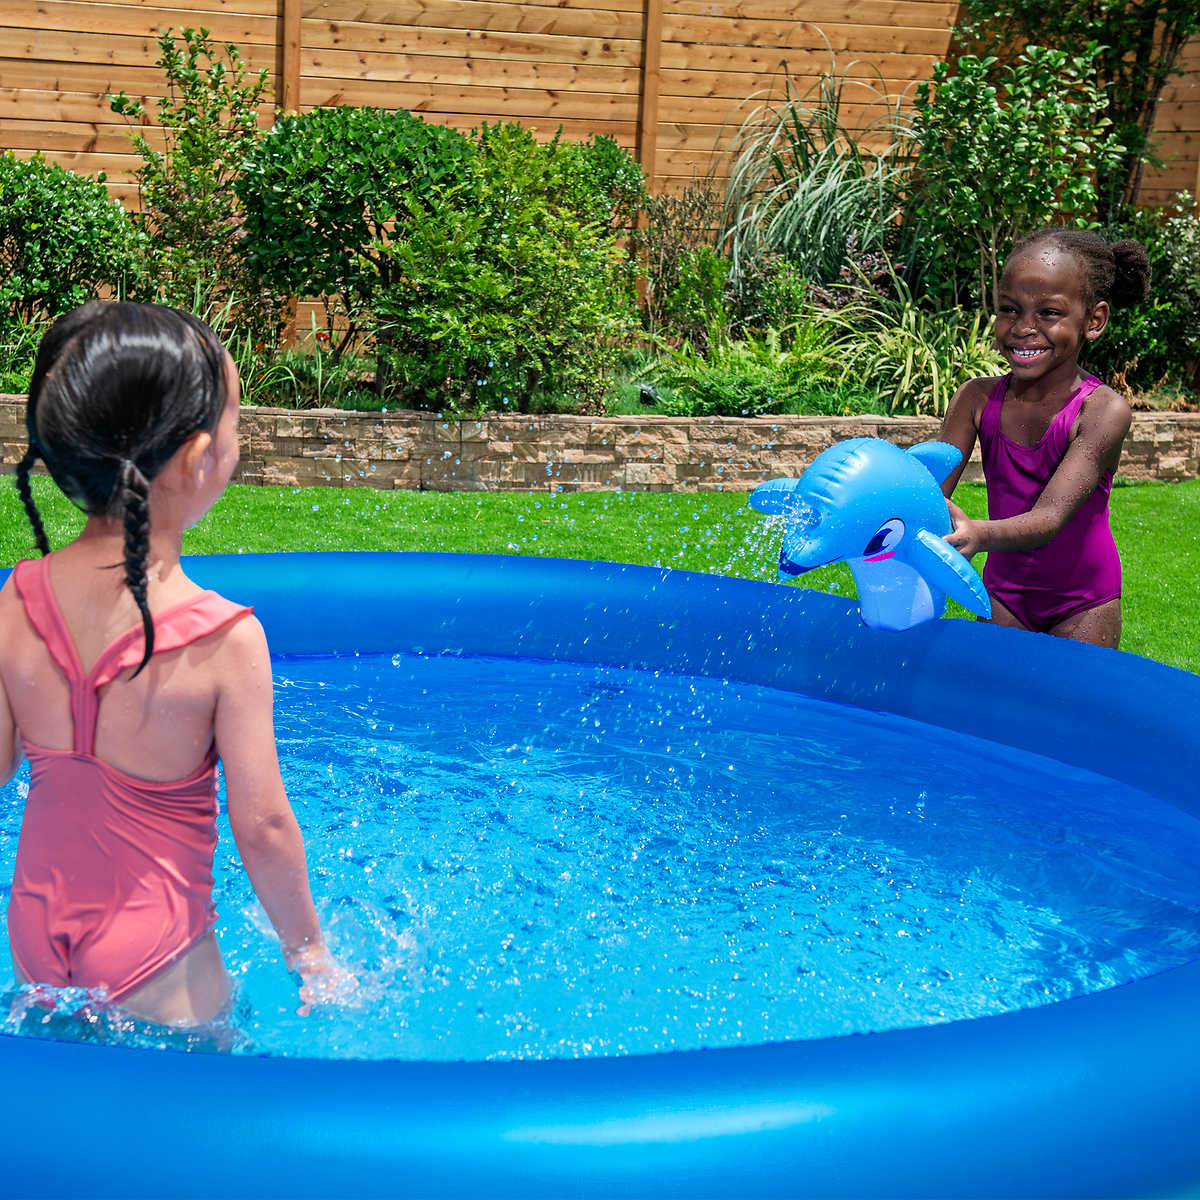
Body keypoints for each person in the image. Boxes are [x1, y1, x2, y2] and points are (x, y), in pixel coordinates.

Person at [0, 300, 352, 1030]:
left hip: (36, 928)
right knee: (202, 1116)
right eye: (234, 422)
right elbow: (264, 827)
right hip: (158, 950)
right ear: (198, 458)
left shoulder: (17, 597)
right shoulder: (224, 638)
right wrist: (312, 953)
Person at [937, 227, 1151, 648]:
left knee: (1073, 712)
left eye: (1048, 313)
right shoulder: (976, 399)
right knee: (996, 711)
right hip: (1005, 596)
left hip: (1083, 603)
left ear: (1094, 321)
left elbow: (1051, 517)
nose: (1023, 328)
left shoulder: (1102, 410)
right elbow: (927, 489)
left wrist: (978, 533)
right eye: (1010, 309)